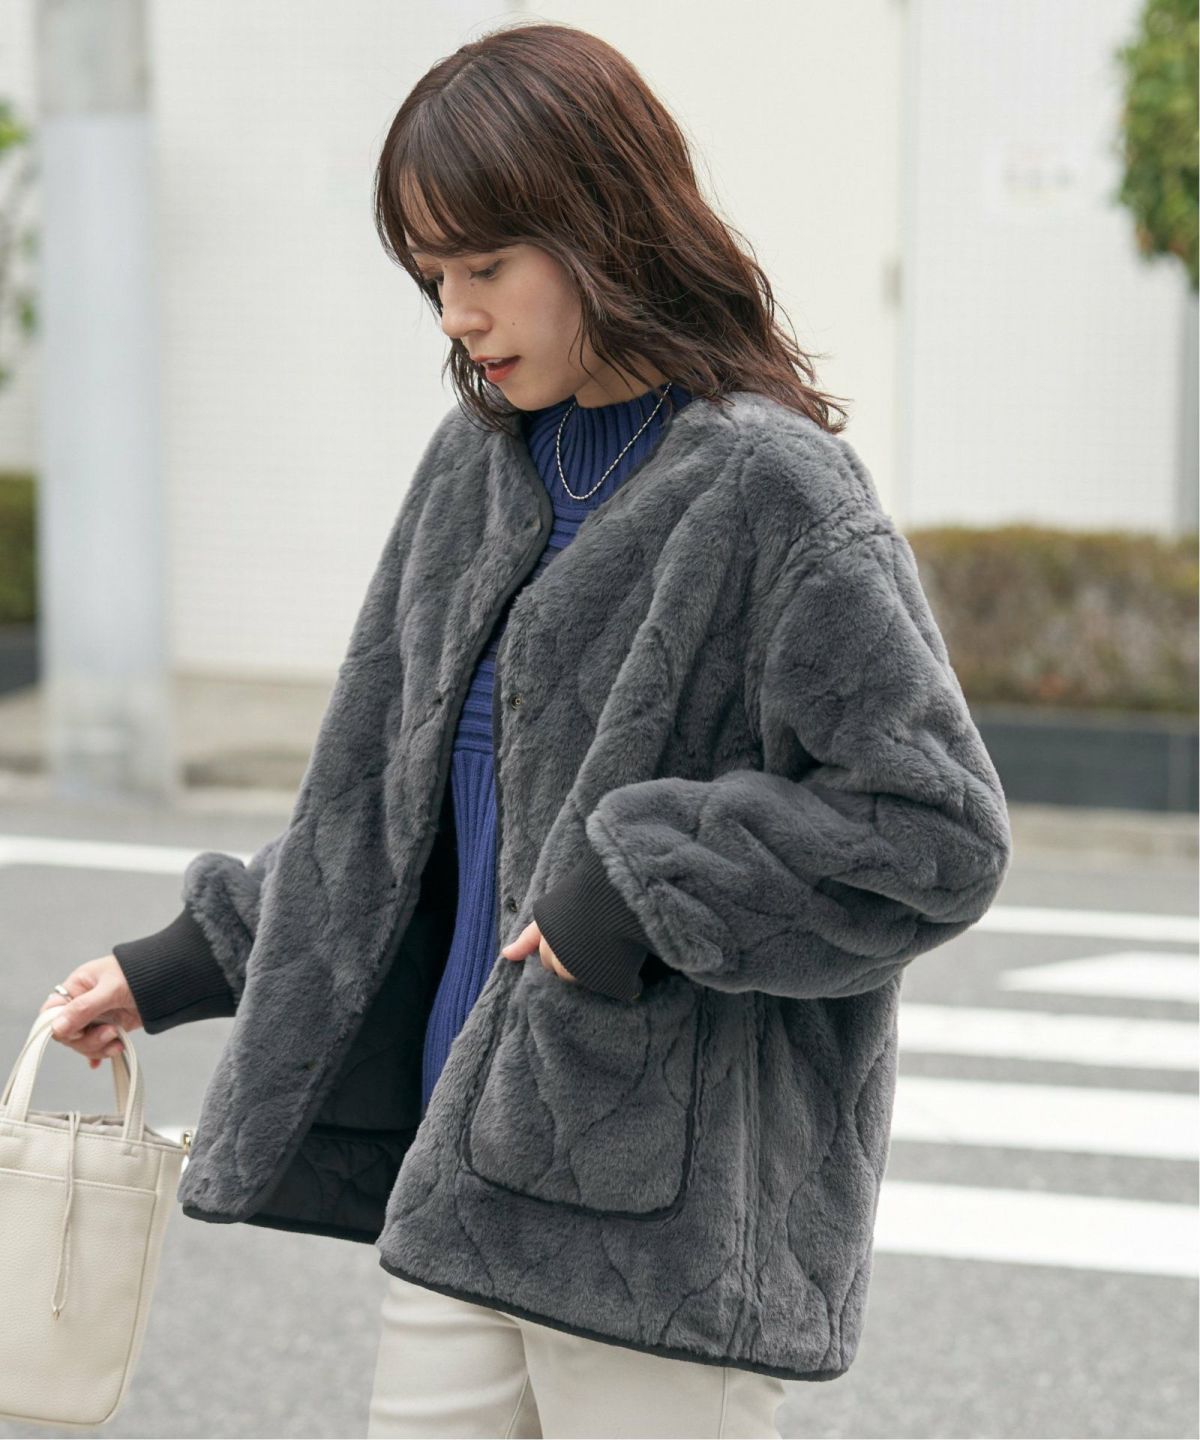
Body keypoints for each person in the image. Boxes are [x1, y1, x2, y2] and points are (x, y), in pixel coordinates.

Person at [39, 19, 1013, 1440]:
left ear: (602, 226)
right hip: (461, 1170)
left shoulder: (773, 491)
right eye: (433, 276)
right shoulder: (476, 468)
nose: (455, 313)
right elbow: (391, 812)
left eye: (485, 266)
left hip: (663, 1234)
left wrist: (640, 883)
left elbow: (935, 832)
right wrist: (183, 961)